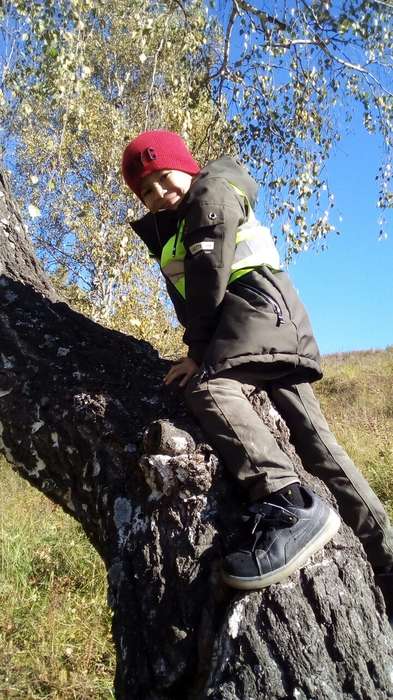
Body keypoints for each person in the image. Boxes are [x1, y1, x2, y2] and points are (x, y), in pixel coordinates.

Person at [122, 130, 393, 607]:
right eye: (146, 191)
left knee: (208, 390)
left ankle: (288, 503)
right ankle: (386, 558)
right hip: (263, 321)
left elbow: (206, 282)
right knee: (319, 446)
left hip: (256, 314)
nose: (160, 194)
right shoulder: (180, 218)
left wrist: (197, 351)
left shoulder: (210, 193)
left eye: (164, 179)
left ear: (186, 166)